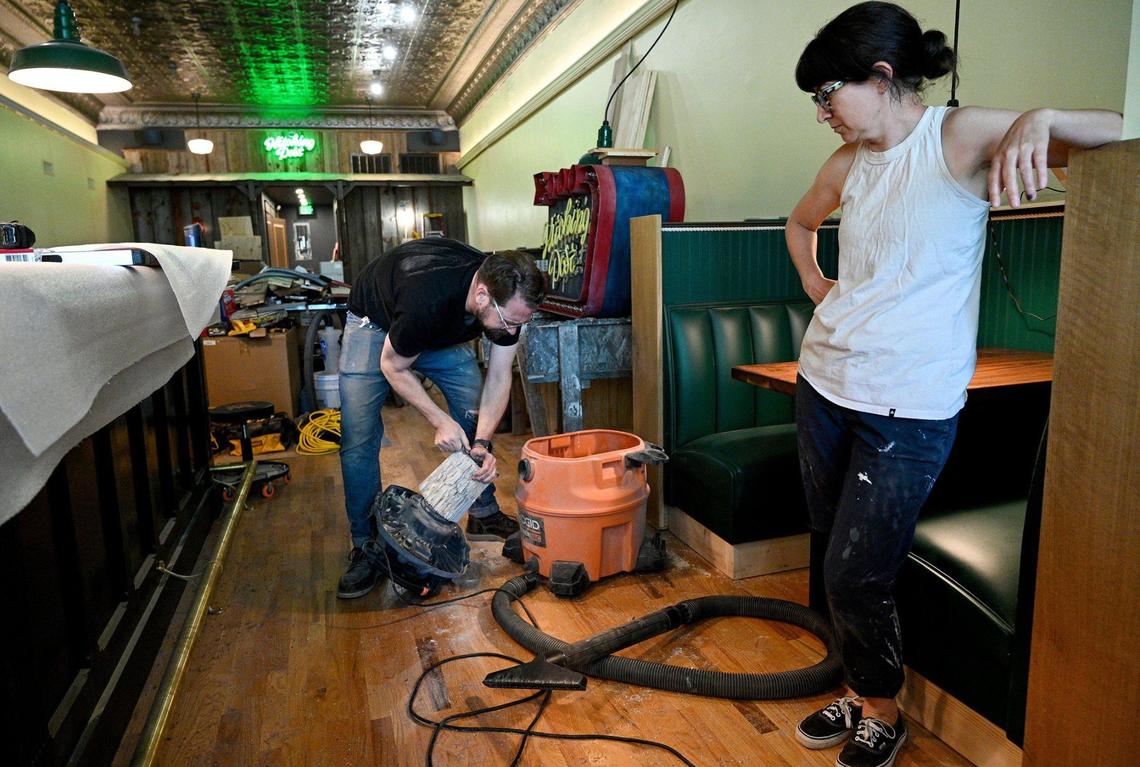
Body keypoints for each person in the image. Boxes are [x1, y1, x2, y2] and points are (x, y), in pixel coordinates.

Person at [784, 4, 1121, 766]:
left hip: (910, 406)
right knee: (833, 552)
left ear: (880, 76)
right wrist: (813, 278)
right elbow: (799, 224)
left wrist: (1042, 117)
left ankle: (882, 707)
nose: (821, 113)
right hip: (825, 382)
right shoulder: (846, 166)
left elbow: (1119, 125)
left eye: (826, 92)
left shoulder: (957, 136)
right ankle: (857, 684)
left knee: (854, 569)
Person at [335, 237, 546, 599]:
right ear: (482, 296)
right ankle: (367, 544)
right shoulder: (426, 299)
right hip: (374, 322)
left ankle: (482, 510)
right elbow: (392, 365)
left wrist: (481, 442)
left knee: (470, 401)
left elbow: (499, 376)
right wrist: (437, 419)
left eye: (519, 324)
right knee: (359, 436)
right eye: (509, 322)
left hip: (434, 325)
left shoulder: (506, 296)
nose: (511, 332)